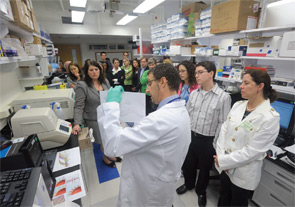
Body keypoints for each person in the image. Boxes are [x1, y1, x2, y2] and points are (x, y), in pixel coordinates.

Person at [96, 63, 191, 206]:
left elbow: (112, 146)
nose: (147, 90)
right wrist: (139, 126)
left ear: (163, 82)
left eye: (149, 83)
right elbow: (156, 138)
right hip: (160, 186)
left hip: (147, 194)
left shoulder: (160, 120)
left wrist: (111, 106)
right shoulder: (180, 110)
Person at [214, 69, 280, 207]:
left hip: (243, 174)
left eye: (246, 83)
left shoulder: (270, 117)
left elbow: (252, 152)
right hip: (225, 168)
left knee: (237, 203)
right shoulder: (238, 105)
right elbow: (224, 130)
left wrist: (224, 160)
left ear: (260, 86)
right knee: (223, 198)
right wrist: (220, 156)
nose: (241, 86)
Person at [176, 61, 231, 207]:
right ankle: (188, 184)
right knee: (188, 164)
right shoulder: (194, 94)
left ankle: (201, 191)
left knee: (205, 169)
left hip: (208, 139)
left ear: (211, 73)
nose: (196, 75)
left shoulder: (223, 97)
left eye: (200, 72)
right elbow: (187, 114)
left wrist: (215, 144)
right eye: (195, 72)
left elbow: (223, 123)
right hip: (191, 136)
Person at [72, 60, 119, 168]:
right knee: (102, 140)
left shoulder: (105, 81)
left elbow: (111, 95)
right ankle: (106, 158)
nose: (94, 72)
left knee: (110, 137)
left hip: (107, 115)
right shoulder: (82, 85)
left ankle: (110, 154)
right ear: (87, 72)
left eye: (96, 69)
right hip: (94, 118)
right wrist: (77, 123)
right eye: (91, 70)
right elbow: (79, 106)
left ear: (100, 70)